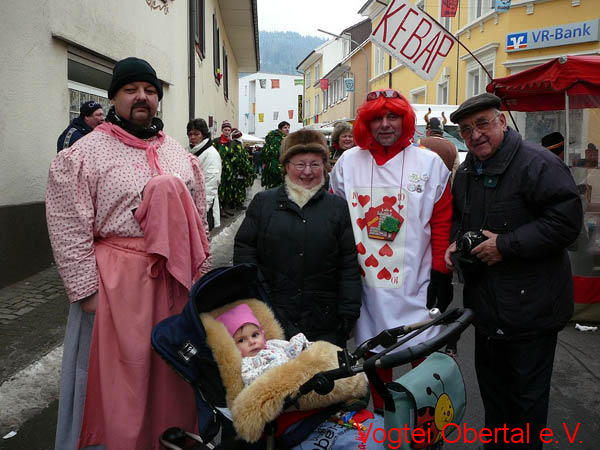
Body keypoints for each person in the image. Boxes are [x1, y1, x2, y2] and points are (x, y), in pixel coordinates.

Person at [47, 56, 211, 450]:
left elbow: (198, 215)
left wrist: (199, 274)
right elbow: (69, 224)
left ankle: (166, 438)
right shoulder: (85, 154)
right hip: (113, 290)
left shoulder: (177, 152)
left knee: (169, 370)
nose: (143, 98)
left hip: (172, 285)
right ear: (114, 97)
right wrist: (88, 292)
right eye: (131, 90)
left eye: (150, 91)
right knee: (118, 380)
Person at [445, 93, 582, 450]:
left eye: (482, 124)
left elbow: (567, 224)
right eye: (466, 130)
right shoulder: (466, 173)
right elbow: (461, 221)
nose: (475, 135)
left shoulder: (537, 164)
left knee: (525, 408)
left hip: (531, 313)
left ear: (502, 122)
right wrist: (455, 243)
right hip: (487, 312)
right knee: (495, 403)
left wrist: (504, 245)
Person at [329, 89, 453, 410]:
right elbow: (336, 224)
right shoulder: (347, 163)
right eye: (376, 118)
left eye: (393, 117)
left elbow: (441, 223)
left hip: (417, 287)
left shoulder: (429, 164)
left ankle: (425, 435)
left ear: (405, 120)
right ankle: (387, 428)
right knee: (377, 369)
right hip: (367, 292)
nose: (385, 125)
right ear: (366, 124)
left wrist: (441, 272)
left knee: (423, 378)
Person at [234, 128, 361, 346]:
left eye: (315, 164)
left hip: (325, 320)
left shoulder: (337, 208)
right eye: (300, 164)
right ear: (286, 166)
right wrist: (261, 299)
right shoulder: (264, 203)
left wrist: (348, 312)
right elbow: (245, 253)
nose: (308, 171)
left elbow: (348, 263)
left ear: (325, 166)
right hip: (273, 318)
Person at [216, 303, 311, 386]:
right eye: (241, 340)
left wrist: (300, 344)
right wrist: (272, 366)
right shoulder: (246, 362)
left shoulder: (273, 344)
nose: (252, 342)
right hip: (278, 382)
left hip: (298, 369)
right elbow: (249, 379)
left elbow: (290, 352)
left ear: (262, 334)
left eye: (254, 335)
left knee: (299, 339)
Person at [188, 118, 222, 230]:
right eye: (190, 134)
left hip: (204, 208)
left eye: (196, 134)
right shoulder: (189, 151)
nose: (192, 137)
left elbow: (211, 183)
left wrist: (203, 209)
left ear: (203, 135)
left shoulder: (211, 154)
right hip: (191, 204)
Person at [419, 109, 460, 183]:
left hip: (424, 187)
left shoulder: (421, 143)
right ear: (442, 132)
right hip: (445, 189)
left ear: (429, 131)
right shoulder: (453, 146)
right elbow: (455, 172)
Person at [213, 120, 236, 217]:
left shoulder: (232, 143)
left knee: (228, 190)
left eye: (228, 130)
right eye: (225, 130)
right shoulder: (216, 141)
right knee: (220, 190)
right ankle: (220, 210)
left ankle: (226, 208)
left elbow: (234, 156)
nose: (227, 132)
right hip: (219, 169)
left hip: (229, 170)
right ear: (222, 130)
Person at [230, 128, 255, 210]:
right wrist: (247, 170)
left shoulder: (233, 144)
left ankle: (235, 203)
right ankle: (238, 203)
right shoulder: (238, 145)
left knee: (236, 188)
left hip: (234, 171)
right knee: (240, 188)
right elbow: (241, 160)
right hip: (239, 171)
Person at [261, 120, 290, 188]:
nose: (287, 129)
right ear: (280, 129)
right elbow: (275, 153)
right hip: (275, 167)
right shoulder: (276, 139)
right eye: (285, 128)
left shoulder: (282, 138)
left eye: (288, 127)